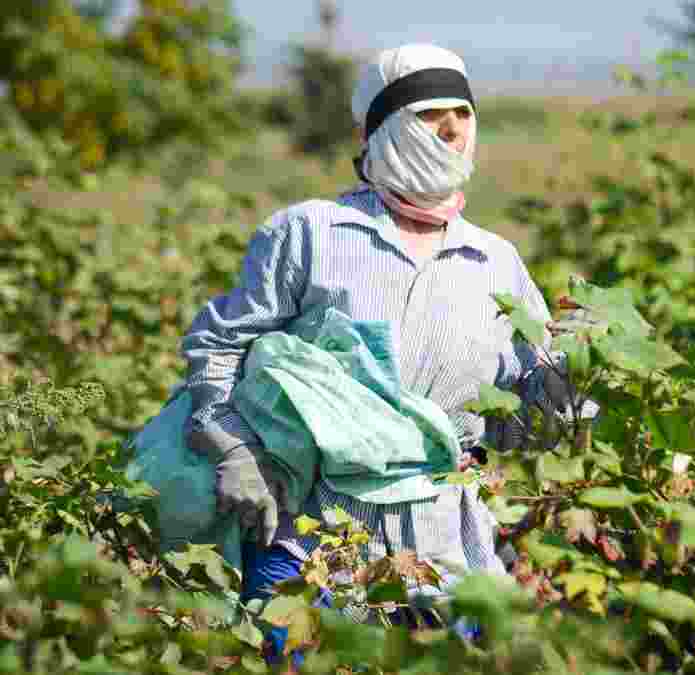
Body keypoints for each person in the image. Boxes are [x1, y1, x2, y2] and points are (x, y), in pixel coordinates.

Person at [180, 43, 570, 664]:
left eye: (462, 113)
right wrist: (233, 447)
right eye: (428, 114)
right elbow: (219, 345)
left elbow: (530, 410)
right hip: (312, 540)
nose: (450, 128)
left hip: (446, 549)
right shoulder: (310, 232)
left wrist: (563, 399)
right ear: (381, 130)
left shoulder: (494, 259)